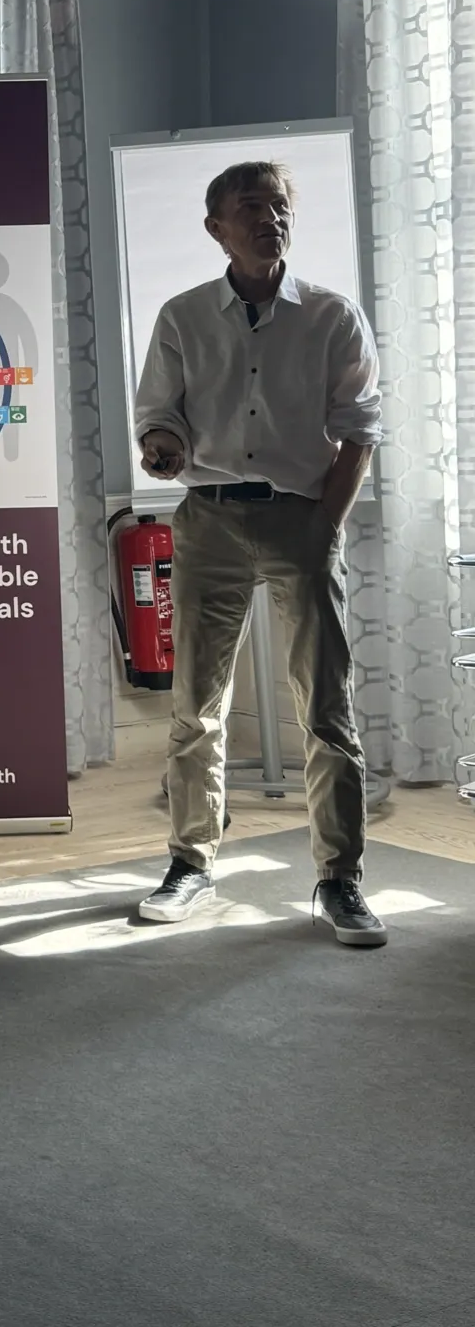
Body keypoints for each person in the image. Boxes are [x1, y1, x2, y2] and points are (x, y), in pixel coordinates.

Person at [133, 160, 385, 946]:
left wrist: (327, 526)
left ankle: (340, 880)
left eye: (278, 206)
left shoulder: (332, 316)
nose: (269, 218)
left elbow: (360, 429)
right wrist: (165, 450)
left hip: (302, 521)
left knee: (326, 708)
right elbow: (159, 416)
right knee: (194, 709)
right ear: (216, 227)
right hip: (207, 521)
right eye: (251, 207)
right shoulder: (181, 316)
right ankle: (191, 864)